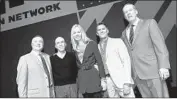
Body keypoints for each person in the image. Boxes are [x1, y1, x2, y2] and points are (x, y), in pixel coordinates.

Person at [121, 3, 171, 98]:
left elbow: (160, 46)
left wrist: (163, 66)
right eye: (125, 12)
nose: (128, 13)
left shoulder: (149, 23)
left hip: (153, 71)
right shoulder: (124, 33)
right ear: (124, 16)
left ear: (136, 11)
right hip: (137, 75)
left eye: (130, 10)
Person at [96, 22, 135, 98]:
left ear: (107, 30)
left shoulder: (117, 41)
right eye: (99, 30)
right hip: (108, 82)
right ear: (97, 33)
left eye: (103, 29)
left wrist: (127, 82)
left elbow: (126, 61)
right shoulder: (96, 48)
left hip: (122, 80)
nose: (102, 31)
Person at [70, 24, 106, 98]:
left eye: (78, 32)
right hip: (82, 81)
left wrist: (103, 80)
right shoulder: (73, 48)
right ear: (72, 35)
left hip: (93, 78)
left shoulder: (92, 44)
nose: (77, 34)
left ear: (82, 32)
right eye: (74, 33)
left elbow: (100, 62)